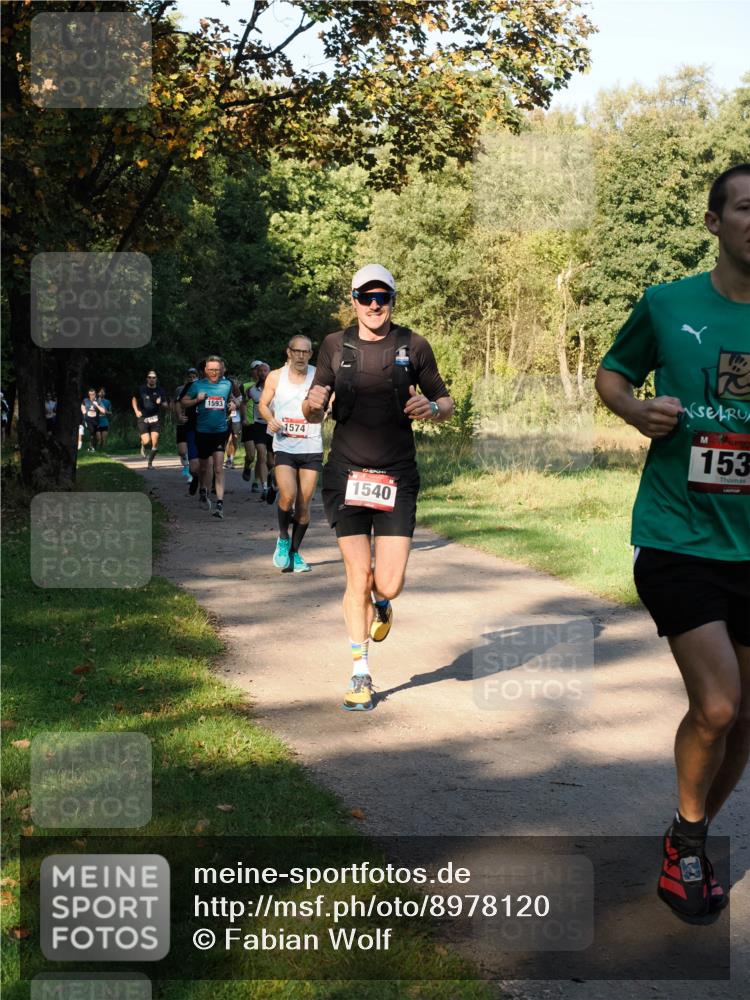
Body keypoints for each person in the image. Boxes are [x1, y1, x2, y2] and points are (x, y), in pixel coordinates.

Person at [595, 164, 750, 920]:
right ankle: (688, 846)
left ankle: (686, 836)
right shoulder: (666, 303)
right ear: (715, 221)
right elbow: (612, 373)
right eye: (748, 208)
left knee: (746, 718)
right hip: (679, 535)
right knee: (718, 706)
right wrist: (634, 410)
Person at [303, 264, 454, 711]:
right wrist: (314, 407)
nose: (374, 305)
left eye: (382, 298)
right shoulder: (335, 345)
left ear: (392, 301)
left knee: (387, 583)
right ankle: (360, 673)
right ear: (353, 300)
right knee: (358, 574)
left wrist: (431, 407)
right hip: (346, 474)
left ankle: (382, 605)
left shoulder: (414, 345)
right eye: (366, 297)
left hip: (395, 476)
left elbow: (445, 401)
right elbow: (315, 407)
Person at [259, 335, 323, 573]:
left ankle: (295, 553)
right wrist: (270, 419)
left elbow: (332, 398)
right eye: (296, 351)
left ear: (310, 354)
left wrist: (327, 409)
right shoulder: (276, 376)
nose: (300, 356)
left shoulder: (319, 376)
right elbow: (263, 404)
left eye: (305, 352)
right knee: (287, 494)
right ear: (288, 352)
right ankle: (283, 537)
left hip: (311, 446)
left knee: (304, 505)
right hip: (285, 444)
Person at [182, 355, 235, 519]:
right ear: (205, 370)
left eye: (217, 370)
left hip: (220, 431)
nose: (214, 372)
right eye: (211, 370)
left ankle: (219, 504)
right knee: (204, 467)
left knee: (218, 468)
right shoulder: (197, 385)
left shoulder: (227, 384)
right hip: (202, 432)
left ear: (221, 370)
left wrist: (234, 404)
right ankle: (203, 489)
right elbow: (184, 401)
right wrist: (196, 400)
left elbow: (233, 399)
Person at [245, 362, 276, 503]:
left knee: (271, 461)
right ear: (257, 373)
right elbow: (243, 402)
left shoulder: (277, 389)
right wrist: (245, 417)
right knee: (261, 456)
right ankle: (264, 487)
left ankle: (270, 478)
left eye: (265, 370)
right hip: (258, 426)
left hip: (273, 426)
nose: (262, 373)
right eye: (260, 371)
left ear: (269, 372)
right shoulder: (252, 390)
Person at [132, 370, 165, 467]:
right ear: (147, 378)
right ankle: (143, 443)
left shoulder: (160, 390)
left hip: (155, 419)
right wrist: (136, 411)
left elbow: (166, 404)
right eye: (150, 377)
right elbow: (134, 399)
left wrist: (162, 403)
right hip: (143, 418)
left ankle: (150, 463)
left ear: (156, 379)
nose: (152, 379)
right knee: (147, 441)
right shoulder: (141, 389)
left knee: (155, 443)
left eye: (153, 377)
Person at [174, 367, 200, 486]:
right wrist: (179, 416)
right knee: (182, 451)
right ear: (186, 378)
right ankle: (186, 466)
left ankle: (191, 472)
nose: (192, 378)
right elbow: (176, 403)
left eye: (194, 376)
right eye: (190, 376)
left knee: (193, 449)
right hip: (183, 423)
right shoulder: (180, 389)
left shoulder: (201, 387)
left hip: (196, 423)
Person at [240, 361, 262, 488]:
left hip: (261, 423)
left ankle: (256, 481)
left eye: (260, 369)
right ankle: (247, 465)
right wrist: (243, 419)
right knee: (251, 455)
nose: (258, 372)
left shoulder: (268, 385)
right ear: (252, 371)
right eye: (255, 369)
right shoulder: (245, 386)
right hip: (248, 423)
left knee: (261, 454)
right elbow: (241, 403)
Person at [224, 375, 243, 469]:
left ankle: (231, 459)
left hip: (236, 418)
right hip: (225, 418)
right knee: (227, 439)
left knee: (234, 438)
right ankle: (228, 458)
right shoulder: (222, 390)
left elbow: (240, 403)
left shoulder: (237, 391)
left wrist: (233, 398)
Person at [80, 388, 104, 452]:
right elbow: (82, 406)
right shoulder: (85, 400)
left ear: (95, 394)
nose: (92, 396)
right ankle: (91, 448)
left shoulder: (98, 401)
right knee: (92, 432)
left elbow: (103, 411)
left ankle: (92, 448)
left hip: (96, 421)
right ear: (89, 395)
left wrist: (97, 405)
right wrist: (84, 411)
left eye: (93, 394)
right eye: (90, 394)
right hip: (88, 419)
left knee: (98, 437)